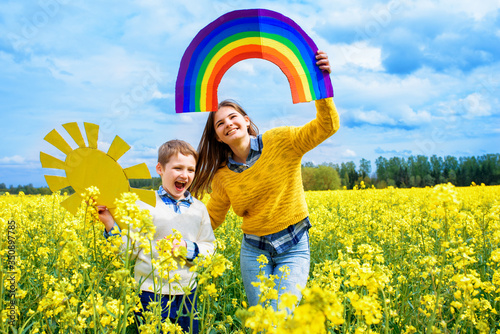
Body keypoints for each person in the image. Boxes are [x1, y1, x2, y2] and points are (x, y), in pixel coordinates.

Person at [190, 50, 339, 311]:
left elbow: (327, 126)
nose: (228, 124)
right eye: (220, 124)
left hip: (293, 247)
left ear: (247, 121)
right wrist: (173, 235)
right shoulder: (222, 176)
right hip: (253, 251)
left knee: (280, 318)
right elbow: (212, 219)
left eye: (233, 117)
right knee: (262, 323)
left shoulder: (281, 141)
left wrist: (321, 85)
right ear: (218, 137)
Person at [99, 139, 215, 333]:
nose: (185, 175)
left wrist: (186, 248)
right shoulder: (143, 204)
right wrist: (110, 224)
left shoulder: (199, 208)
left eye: (191, 170)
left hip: (187, 291)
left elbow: (209, 246)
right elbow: (129, 251)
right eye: (178, 168)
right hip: (150, 292)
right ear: (160, 169)